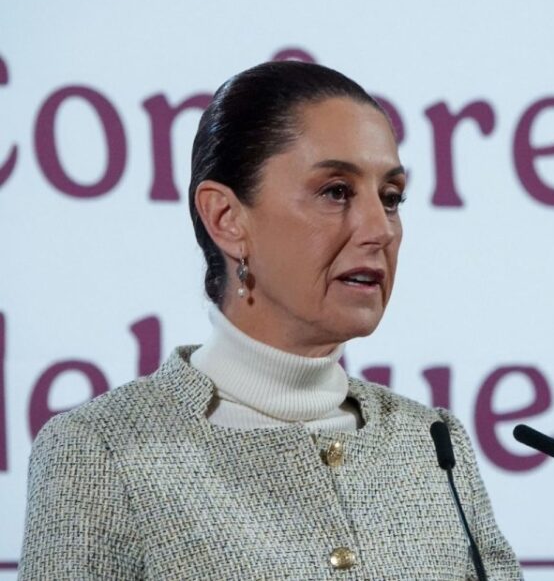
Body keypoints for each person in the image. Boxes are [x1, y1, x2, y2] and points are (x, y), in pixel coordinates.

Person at [19, 62, 521, 580]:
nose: (380, 230)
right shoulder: (101, 452)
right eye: (336, 191)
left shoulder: (434, 442)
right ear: (226, 219)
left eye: (390, 199)